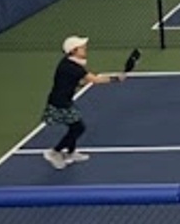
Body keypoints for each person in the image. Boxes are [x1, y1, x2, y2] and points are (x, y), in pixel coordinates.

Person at [41, 36, 125, 170]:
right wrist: (115, 79)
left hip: (65, 100)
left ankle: (70, 153)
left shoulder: (69, 63)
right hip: (60, 103)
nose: (85, 48)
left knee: (74, 127)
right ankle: (54, 152)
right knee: (78, 128)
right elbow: (94, 80)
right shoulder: (72, 67)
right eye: (82, 47)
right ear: (74, 51)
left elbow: (79, 81)